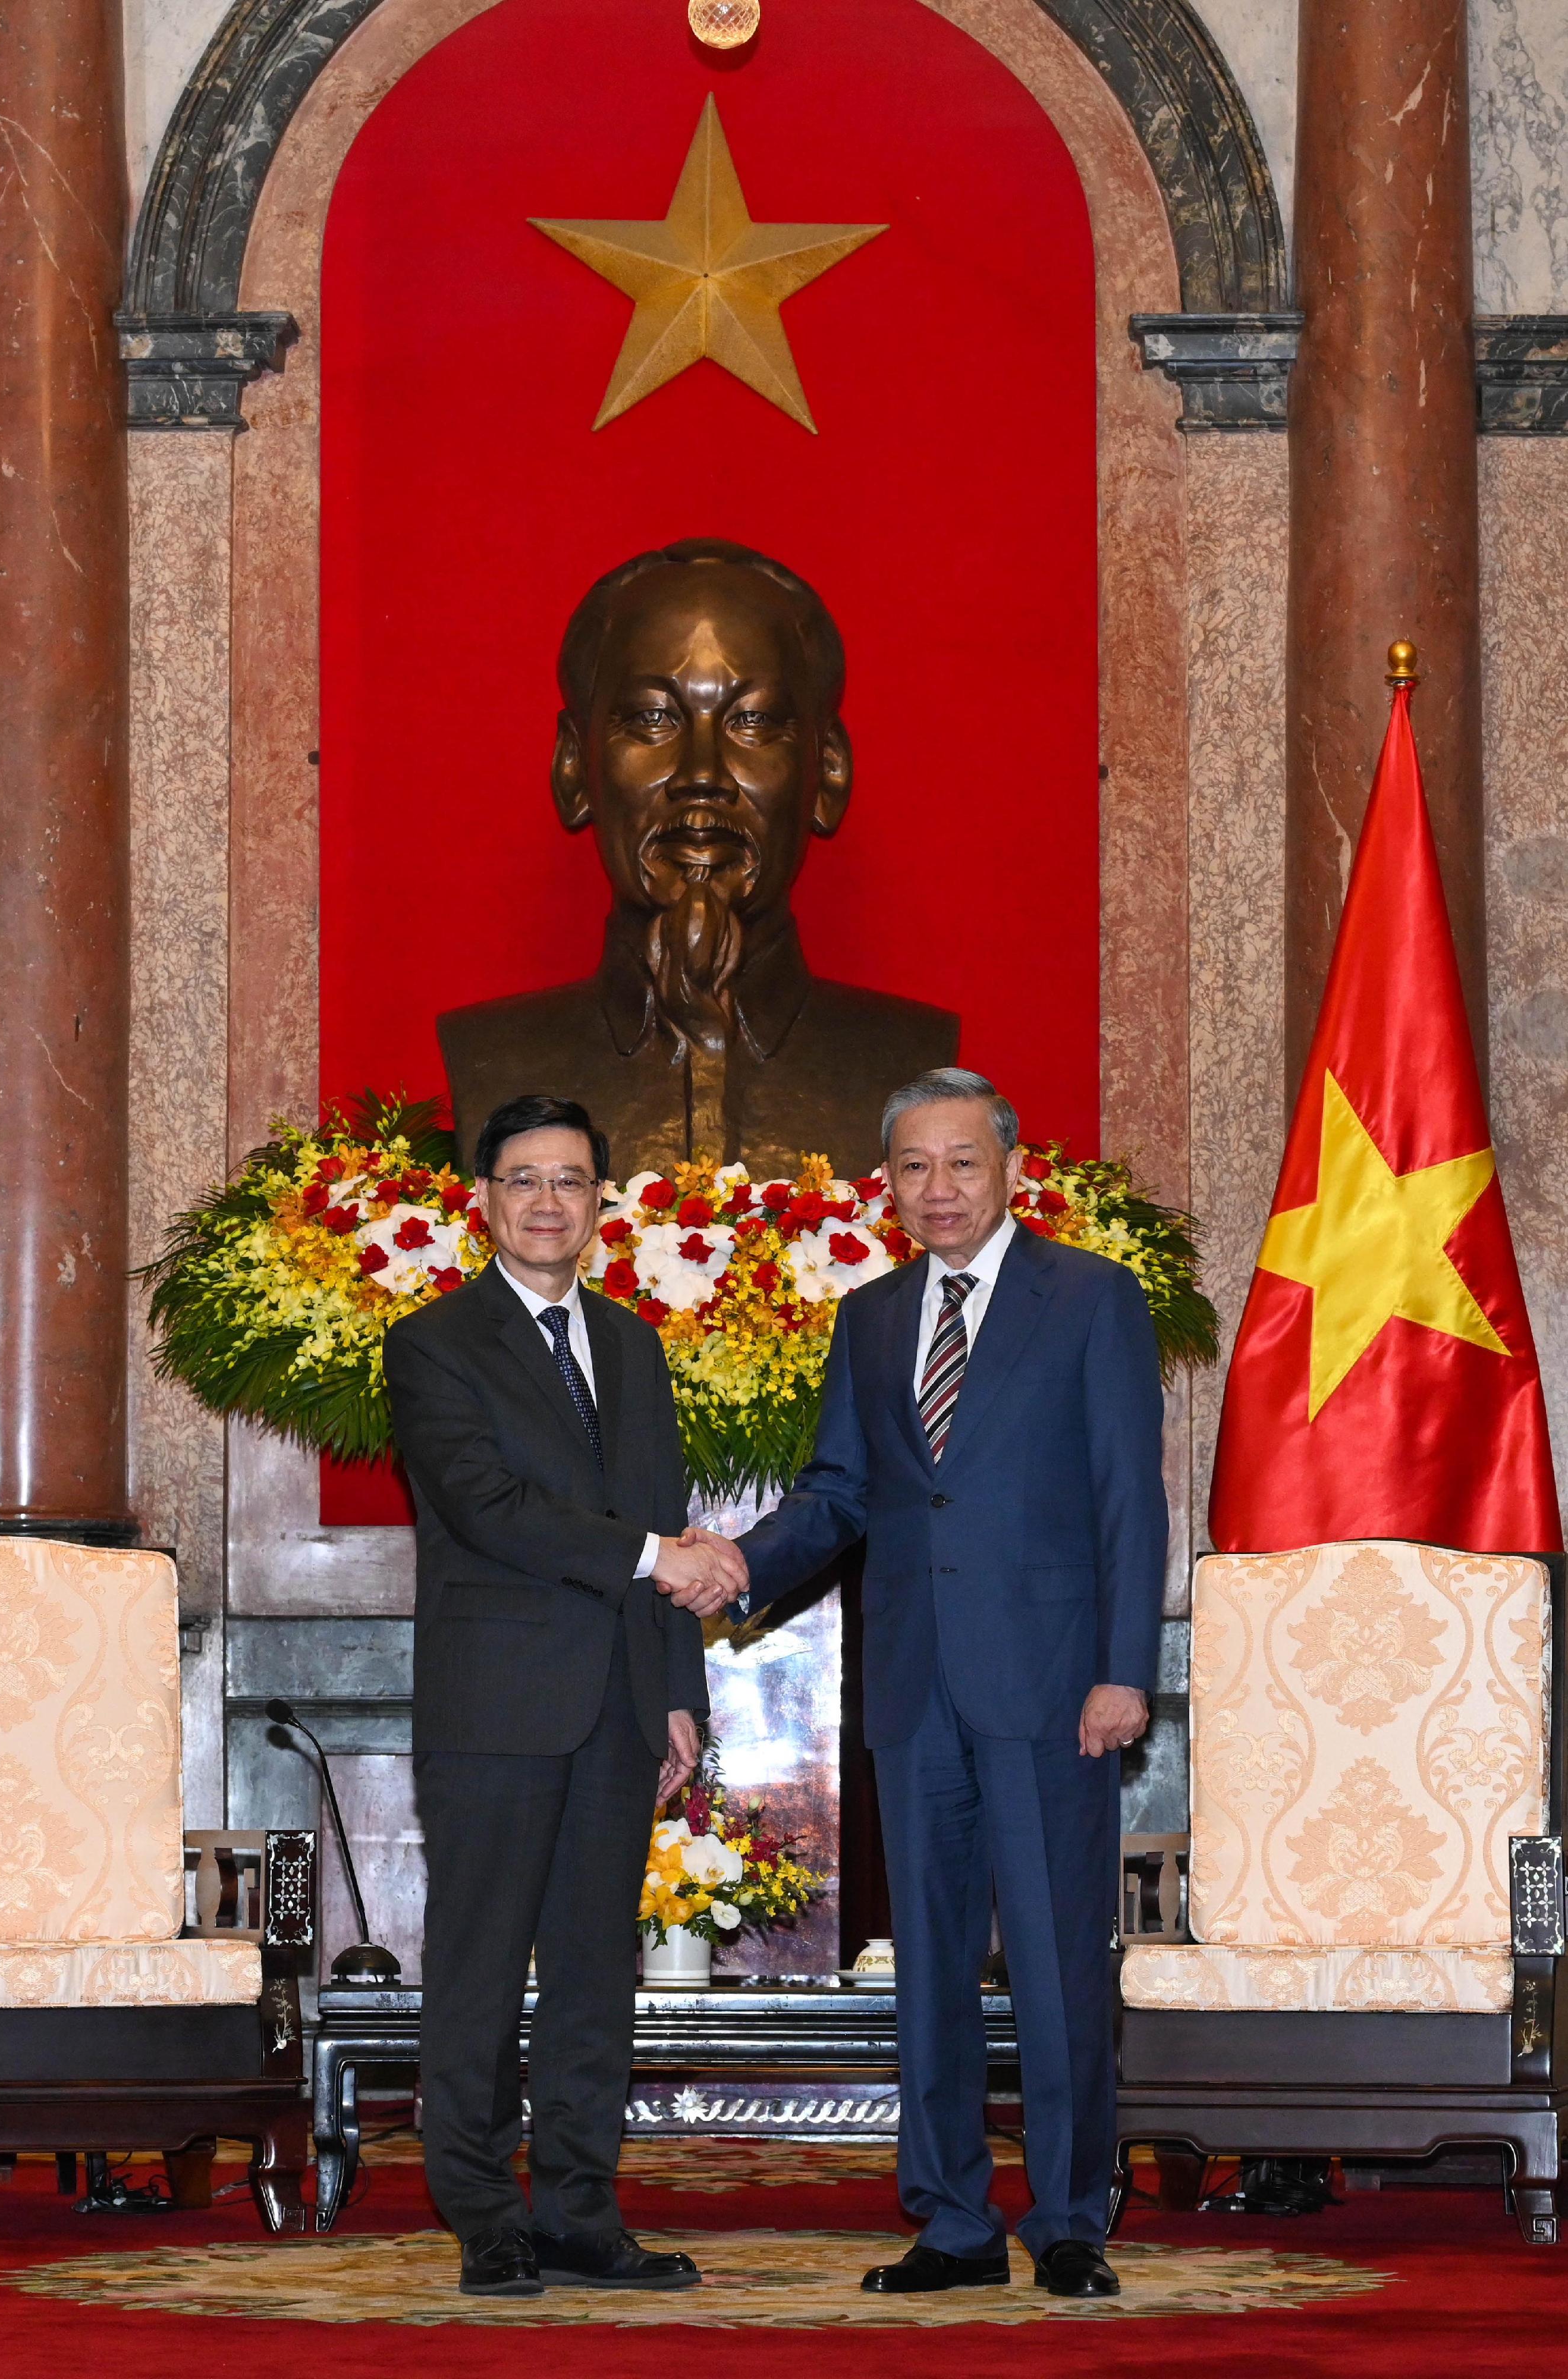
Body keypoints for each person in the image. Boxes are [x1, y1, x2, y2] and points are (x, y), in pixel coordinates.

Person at [661, 1066, 1166, 2299]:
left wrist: (1122, 1672)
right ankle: (949, 2219)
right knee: (930, 1964)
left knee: (1053, 1963)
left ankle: (1067, 2219)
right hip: (914, 1686)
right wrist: (737, 1567)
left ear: (1009, 1168)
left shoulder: (1090, 1299)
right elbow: (841, 1492)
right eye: (913, 1168)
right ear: (887, 1183)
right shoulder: (875, 1316)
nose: (937, 1189)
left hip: (1054, 1685)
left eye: (962, 1164)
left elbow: (1126, 1497)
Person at [384, 1093, 742, 2297]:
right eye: (524, 1178)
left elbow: (666, 1512)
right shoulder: (435, 1341)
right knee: (483, 1964)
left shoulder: (635, 1345)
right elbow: (491, 1508)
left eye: (571, 1180)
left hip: (619, 1705)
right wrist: (656, 1561)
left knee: (596, 1970)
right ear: (483, 1200)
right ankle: (486, 2211)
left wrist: (678, 1689)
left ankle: (582, 2207)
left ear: (602, 1203)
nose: (548, 1200)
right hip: (496, 1703)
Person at [438, 538, 957, 1181]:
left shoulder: (910, 1060)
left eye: (754, 720)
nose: (702, 775)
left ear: (827, 772)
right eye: (654, 718)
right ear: (574, 768)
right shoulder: (492, 1056)